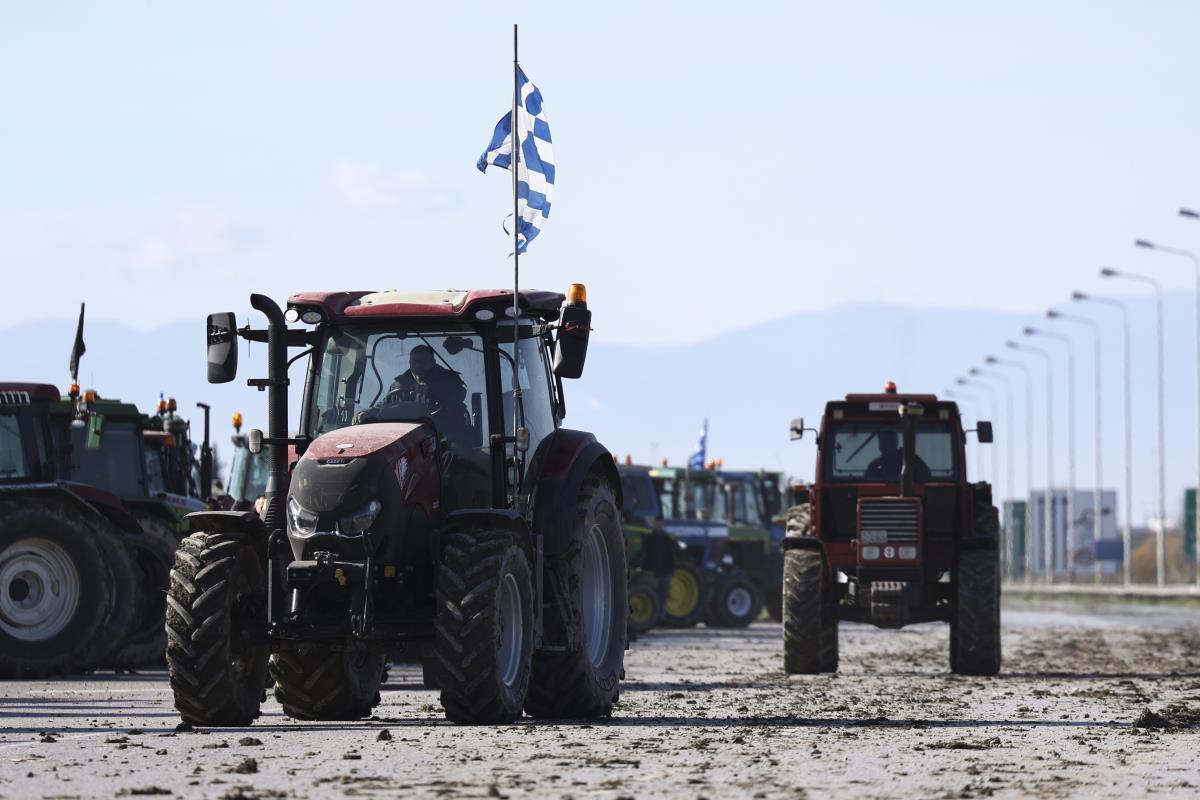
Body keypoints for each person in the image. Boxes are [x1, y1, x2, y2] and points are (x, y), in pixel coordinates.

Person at [639, 517, 677, 624]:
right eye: (657, 524)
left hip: (666, 571)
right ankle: (652, 617)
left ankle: (661, 616)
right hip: (653, 572)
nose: (659, 526)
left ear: (663, 525)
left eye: (661, 524)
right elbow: (644, 555)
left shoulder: (668, 539)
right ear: (654, 524)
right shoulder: (649, 539)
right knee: (653, 595)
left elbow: (672, 555)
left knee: (664, 595)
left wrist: (672, 570)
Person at [865, 429, 930, 481]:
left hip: (909, 494)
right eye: (883, 441)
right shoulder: (874, 465)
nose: (885, 444)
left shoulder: (909, 458)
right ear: (880, 445)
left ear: (895, 442)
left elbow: (926, 475)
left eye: (889, 441)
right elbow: (867, 480)